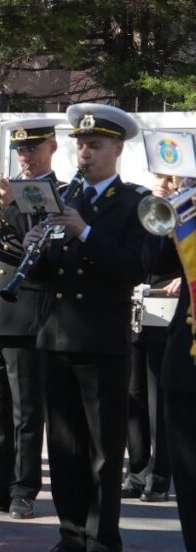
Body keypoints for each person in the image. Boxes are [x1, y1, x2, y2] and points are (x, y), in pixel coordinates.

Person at [22, 103, 148, 552]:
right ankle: (71, 533)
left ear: (118, 149)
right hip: (55, 337)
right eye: (81, 146)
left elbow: (135, 267)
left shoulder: (134, 202)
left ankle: (101, 539)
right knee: (64, 450)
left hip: (101, 342)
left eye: (95, 146)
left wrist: (86, 233)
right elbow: (44, 276)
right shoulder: (64, 198)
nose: (86, 154)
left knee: (102, 453)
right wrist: (33, 249)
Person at [0, 118, 61, 520]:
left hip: (24, 311)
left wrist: (8, 207)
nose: (26, 157)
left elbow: (39, 250)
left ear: (52, 147)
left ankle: (23, 488)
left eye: (34, 148)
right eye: (21, 149)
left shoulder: (56, 194)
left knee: (25, 410)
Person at [141, 215, 196, 550]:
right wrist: (166, 216)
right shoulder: (187, 213)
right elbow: (154, 262)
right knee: (189, 483)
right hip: (185, 353)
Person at [123, 174, 177, 503]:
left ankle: (159, 476)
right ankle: (137, 472)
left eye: (168, 179)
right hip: (136, 308)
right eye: (158, 177)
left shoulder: (183, 214)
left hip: (165, 307)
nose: (161, 184)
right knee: (134, 396)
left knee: (158, 399)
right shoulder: (143, 212)